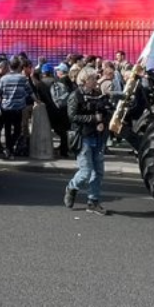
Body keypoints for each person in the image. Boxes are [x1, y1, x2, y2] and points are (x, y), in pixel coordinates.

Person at [64, 69, 108, 215]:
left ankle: (93, 201)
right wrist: (93, 119)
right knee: (85, 172)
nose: (96, 81)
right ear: (85, 80)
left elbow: (102, 112)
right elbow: (72, 116)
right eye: (93, 79)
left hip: (97, 136)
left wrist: (102, 121)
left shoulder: (96, 94)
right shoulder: (76, 95)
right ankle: (72, 187)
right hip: (83, 137)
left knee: (98, 171)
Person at [0, 56, 34, 160]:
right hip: (18, 108)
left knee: (7, 130)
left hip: (6, 108)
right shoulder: (22, 78)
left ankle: (8, 149)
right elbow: (30, 91)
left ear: (9, 66)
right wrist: (37, 100)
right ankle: (9, 149)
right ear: (19, 67)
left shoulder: (3, 78)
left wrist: (1, 102)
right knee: (17, 130)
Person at [48, 62, 74, 157]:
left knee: (61, 130)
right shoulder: (69, 82)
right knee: (64, 130)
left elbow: (59, 99)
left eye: (58, 70)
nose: (57, 72)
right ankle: (64, 148)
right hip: (68, 109)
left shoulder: (60, 82)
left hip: (61, 110)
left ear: (61, 72)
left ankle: (64, 150)